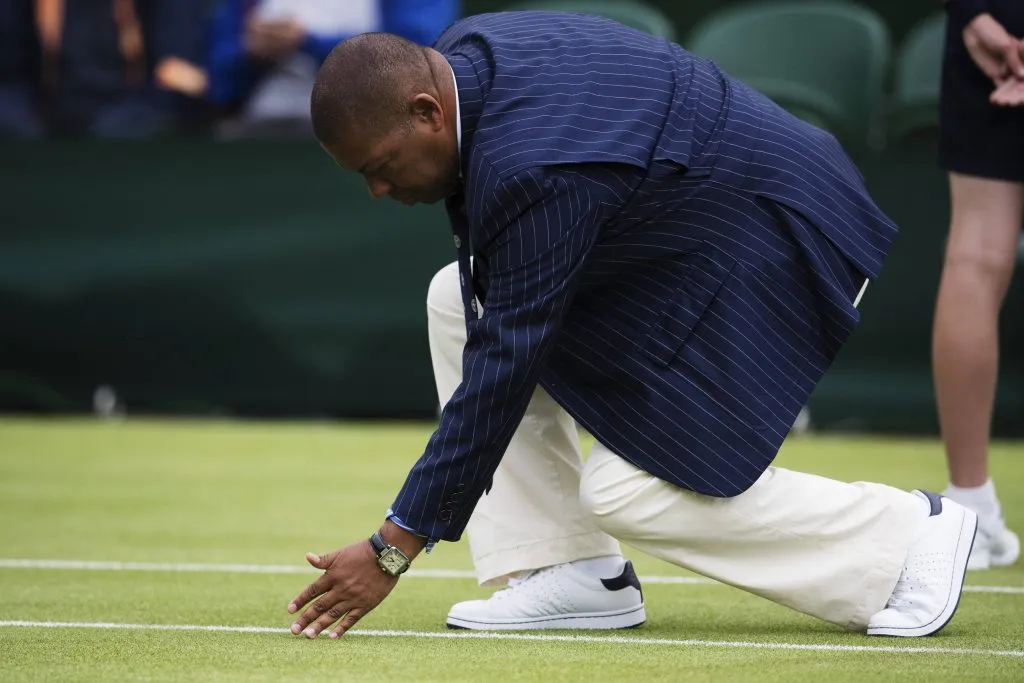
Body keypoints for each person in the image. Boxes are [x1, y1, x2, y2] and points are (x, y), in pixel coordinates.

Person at [285, 11, 979, 640]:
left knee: (627, 489)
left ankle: (906, 542)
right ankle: (571, 568)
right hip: (693, 235)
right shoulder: (467, 56)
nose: (379, 191)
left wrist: (391, 546)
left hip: (781, 237)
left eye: (380, 167)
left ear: (427, 110)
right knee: (455, 297)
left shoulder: (531, 166)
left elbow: (506, 362)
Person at [933, 0, 1022, 570]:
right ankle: (972, 513)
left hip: (1000, 19)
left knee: (975, 257)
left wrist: (976, 11)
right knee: (975, 258)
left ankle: (970, 508)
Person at [206, 0, 458, 137]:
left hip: (366, 134)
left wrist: (305, 41)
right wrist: (253, 53)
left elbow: (416, 59)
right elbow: (218, 84)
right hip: (257, 133)